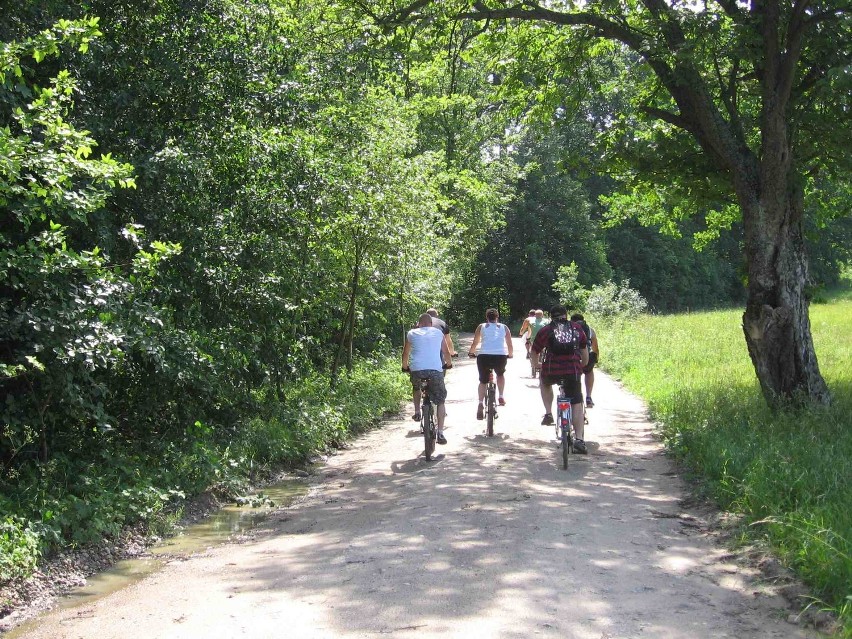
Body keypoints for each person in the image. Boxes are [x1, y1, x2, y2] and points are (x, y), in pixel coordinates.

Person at [531, 305, 589, 454]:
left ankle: (548, 413)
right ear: (566, 315)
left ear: (551, 317)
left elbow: (535, 350)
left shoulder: (546, 330)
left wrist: (536, 365)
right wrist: (582, 365)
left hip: (552, 370)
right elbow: (584, 350)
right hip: (572, 370)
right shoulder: (576, 328)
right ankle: (580, 440)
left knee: (544, 383)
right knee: (576, 402)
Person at [402, 313, 453, 444]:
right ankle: (440, 432)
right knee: (440, 400)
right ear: (431, 324)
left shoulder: (411, 333)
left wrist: (405, 367)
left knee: (416, 386)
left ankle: (417, 411)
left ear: (418, 324)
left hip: (417, 370)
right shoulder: (438, 332)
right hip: (435, 371)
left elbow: (406, 353)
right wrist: (448, 364)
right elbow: (446, 352)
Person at [467, 308, 513, 420]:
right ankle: (501, 396)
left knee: (483, 381)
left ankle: (480, 403)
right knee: (500, 375)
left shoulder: (481, 326)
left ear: (487, 317)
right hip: (500, 356)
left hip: (484, 356)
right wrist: (510, 354)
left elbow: (475, 342)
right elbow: (509, 344)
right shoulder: (504, 327)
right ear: (497, 317)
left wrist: (471, 353)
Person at [571, 312, 599, 408]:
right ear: (583, 320)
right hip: (589, 355)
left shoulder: (569, 328)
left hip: (573, 356)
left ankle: (574, 396)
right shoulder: (590, 330)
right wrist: (596, 358)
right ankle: (588, 397)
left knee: (574, 375)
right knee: (589, 372)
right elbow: (595, 346)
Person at [527, 309, 549, 378]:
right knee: (543, 355)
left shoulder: (531, 321)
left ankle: (533, 371)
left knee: (532, 355)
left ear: (535, 315)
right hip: (544, 341)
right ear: (542, 315)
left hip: (534, 341)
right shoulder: (547, 321)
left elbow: (529, 332)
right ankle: (541, 370)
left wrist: (528, 338)